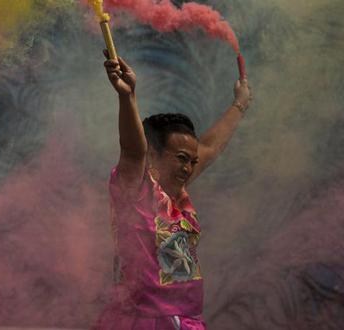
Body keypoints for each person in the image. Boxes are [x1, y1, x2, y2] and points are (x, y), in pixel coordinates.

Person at [93, 50, 252, 329]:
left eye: (192, 162)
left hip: (187, 321)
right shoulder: (136, 189)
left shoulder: (177, 194)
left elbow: (210, 147)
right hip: (144, 322)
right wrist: (127, 96)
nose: (189, 168)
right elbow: (132, 150)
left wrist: (239, 104)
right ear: (153, 154)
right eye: (181, 159)